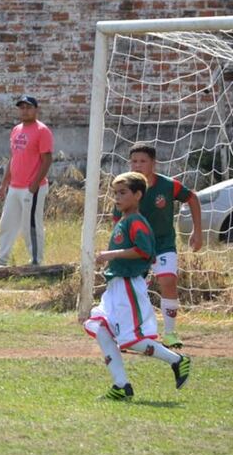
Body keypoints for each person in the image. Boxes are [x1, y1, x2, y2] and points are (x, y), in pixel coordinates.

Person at [83, 172, 191, 400]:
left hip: (128, 286)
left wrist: (110, 254)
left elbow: (144, 251)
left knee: (132, 340)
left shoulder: (137, 222)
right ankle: (121, 385)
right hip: (115, 287)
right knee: (100, 328)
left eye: (123, 193)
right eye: (115, 193)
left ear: (138, 194)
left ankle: (177, 360)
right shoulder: (124, 220)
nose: (117, 198)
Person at [123, 143, 203, 348]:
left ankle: (170, 333)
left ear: (153, 164)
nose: (138, 165)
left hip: (163, 243)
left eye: (143, 161)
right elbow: (118, 219)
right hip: (137, 246)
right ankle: (132, 332)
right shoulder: (125, 188)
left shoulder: (168, 185)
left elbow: (192, 198)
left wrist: (197, 230)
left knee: (168, 280)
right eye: (134, 161)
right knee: (132, 288)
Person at [0, 94, 53, 266]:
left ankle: (36, 261)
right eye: (22, 107)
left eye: (28, 107)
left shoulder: (42, 130)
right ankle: (1, 261)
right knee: (7, 224)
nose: (25, 111)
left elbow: (47, 159)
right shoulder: (16, 130)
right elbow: (13, 158)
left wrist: (35, 184)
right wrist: (4, 183)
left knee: (30, 225)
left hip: (32, 187)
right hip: (14, 186)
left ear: (36, 109)